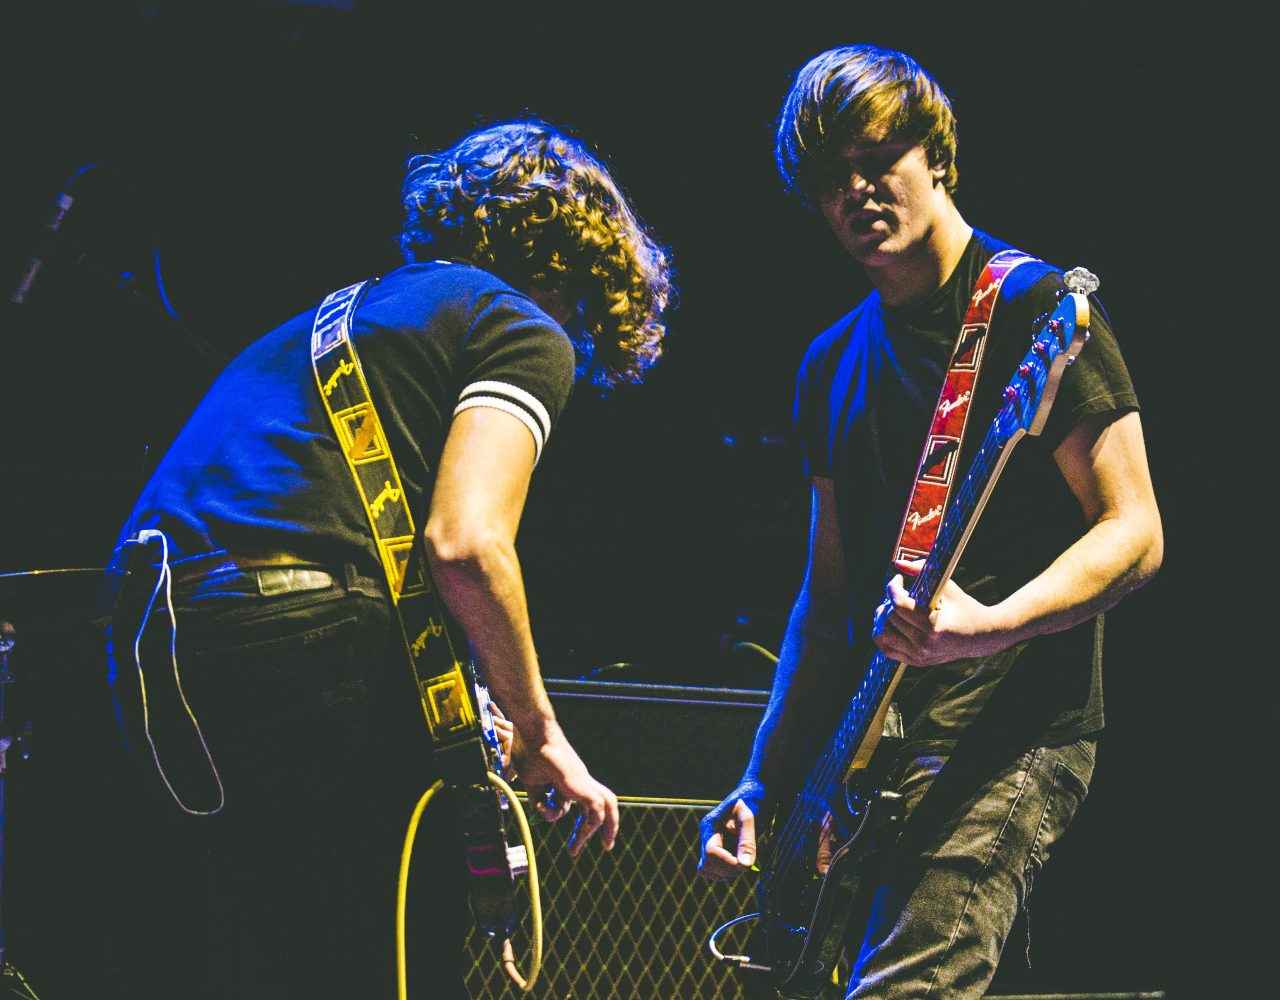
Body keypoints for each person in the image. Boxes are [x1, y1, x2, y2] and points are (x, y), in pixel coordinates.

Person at [103, 119, 671, 1000]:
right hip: (303, 640)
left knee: (251, 957)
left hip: (154, 649)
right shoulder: (519, 323)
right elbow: (466, 544)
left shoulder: (332, 320)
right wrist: (540, 730)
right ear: (584, 264)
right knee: (386, 952)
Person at [697, 45, 1162, 999]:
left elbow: (1135, 530)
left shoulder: (1035, 309)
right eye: (831, 180)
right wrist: (763, 778)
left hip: (1010, 730)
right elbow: (827, 601)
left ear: (937, 155)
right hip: (868, 750)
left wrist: (987, 626)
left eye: (878, 159)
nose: (857, 192)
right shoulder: (830, 362)